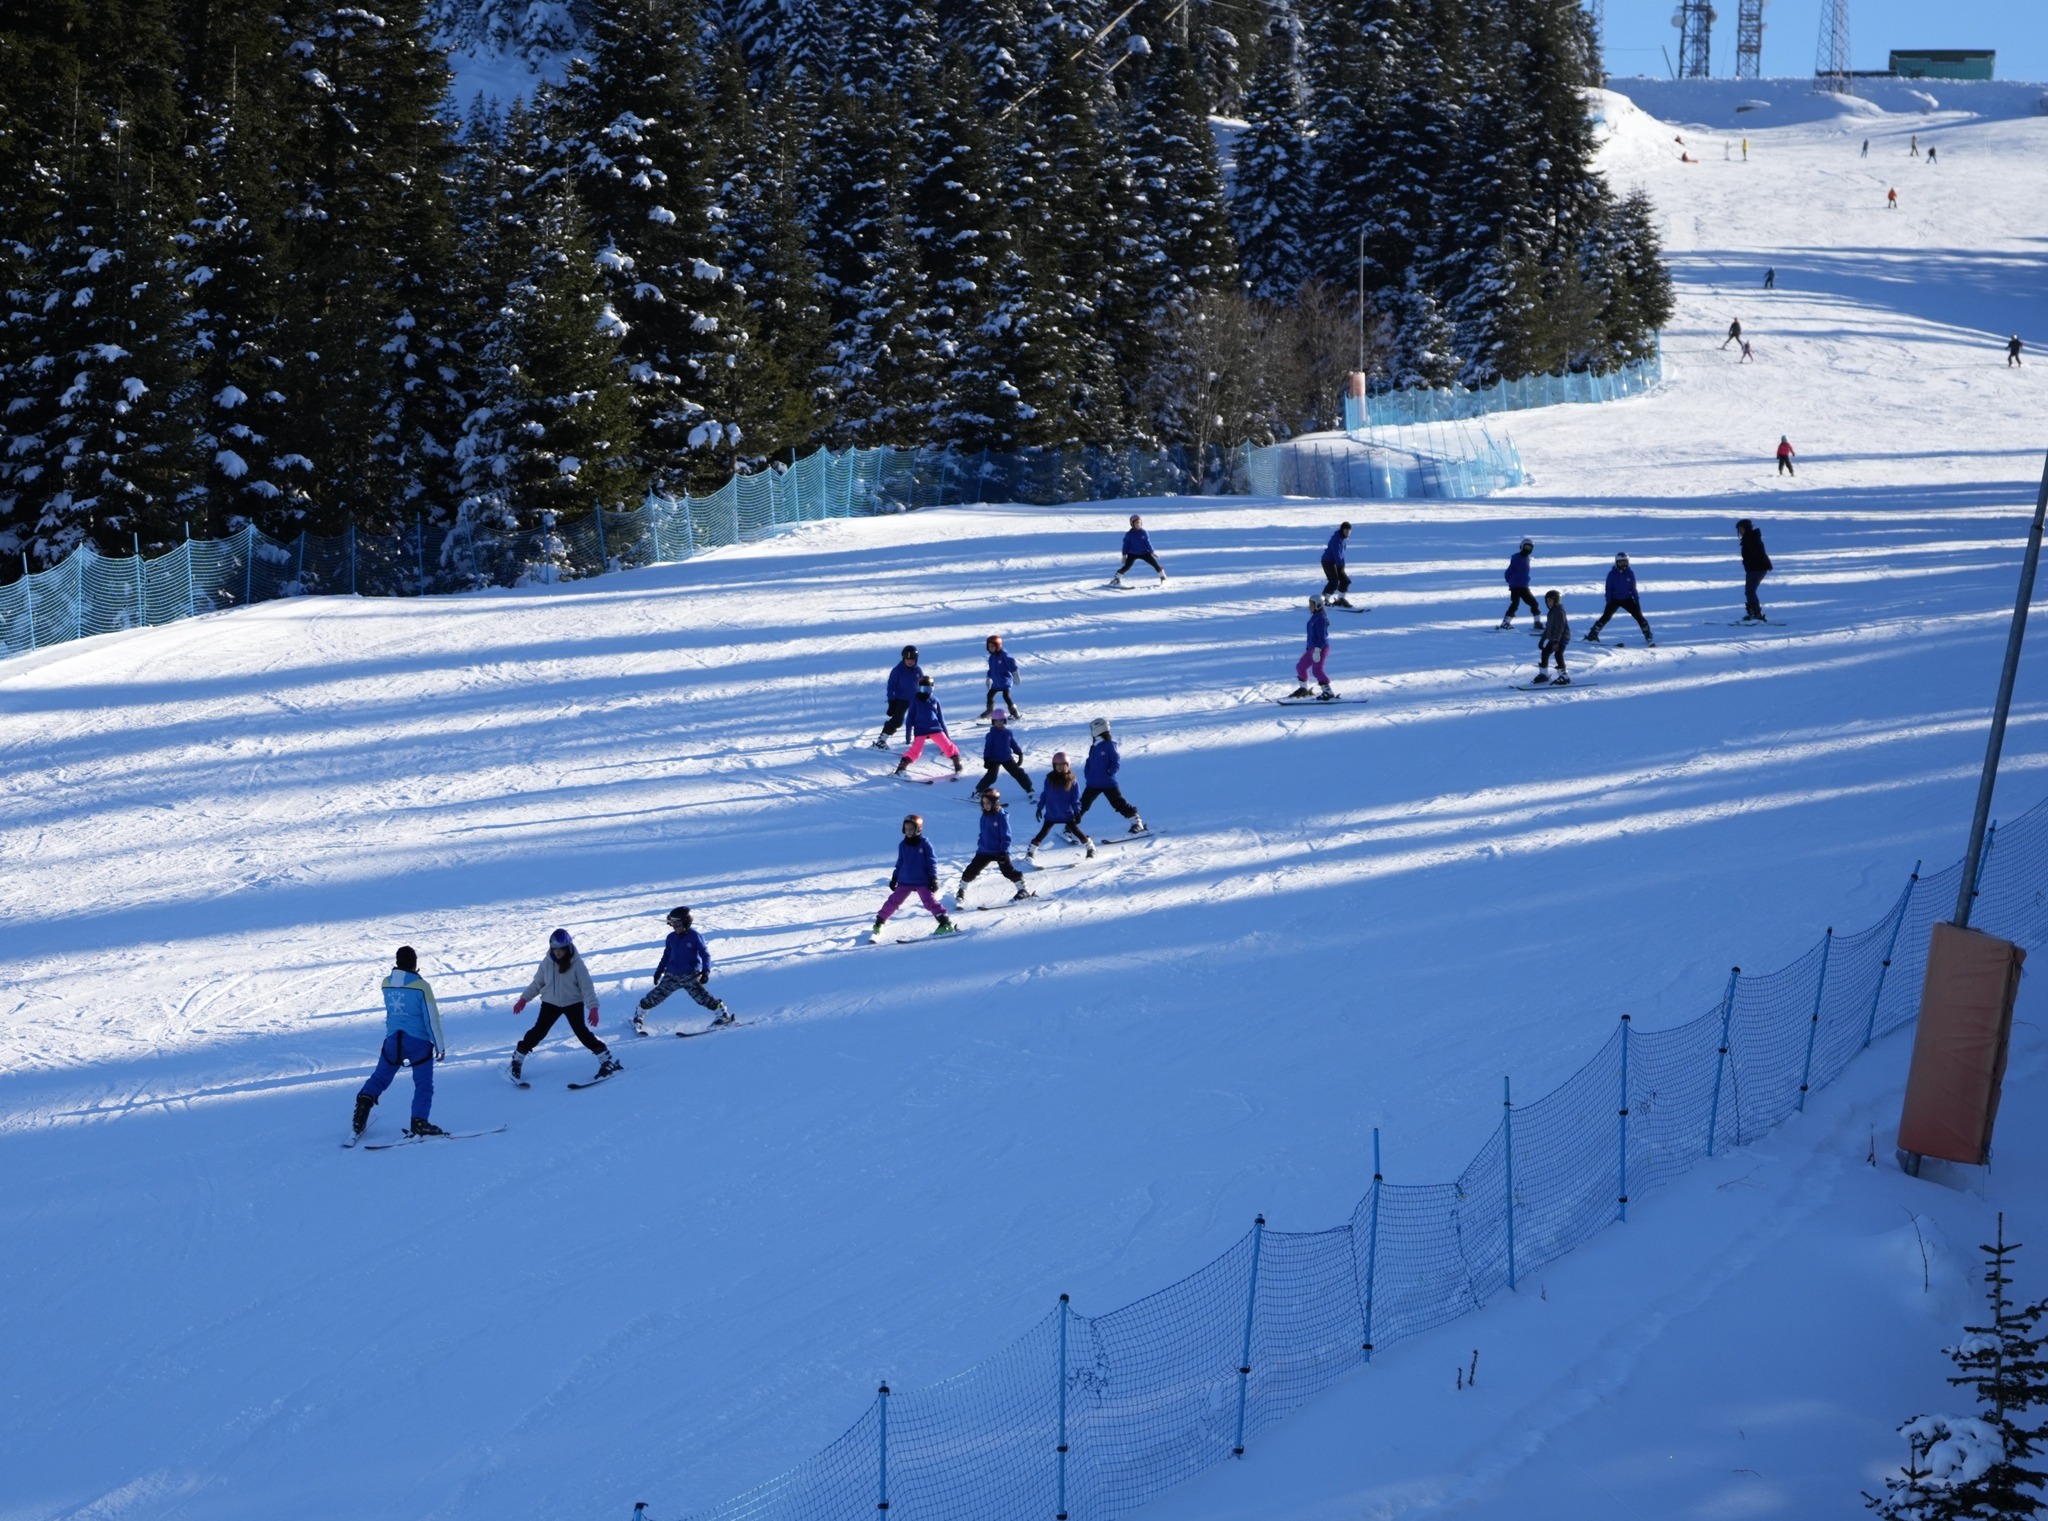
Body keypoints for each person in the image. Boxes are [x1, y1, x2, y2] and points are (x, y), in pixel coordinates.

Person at [352, 946, 449, 1138]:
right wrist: (439, 1045)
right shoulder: (422, 987)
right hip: (418, 1043)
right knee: (423, 1085)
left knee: (380, 1078)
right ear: (415, 963)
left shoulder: (386, 983)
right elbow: (431, 1018)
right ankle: (419, 1122)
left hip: (393, 1040)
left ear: (397, 962)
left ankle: (361, 1110)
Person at [512, 928, 618, 1084]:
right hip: (550, 1003)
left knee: (582, 1033)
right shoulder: (547, 963)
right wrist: (524, 999)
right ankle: (517, 1059)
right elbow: (537, 983)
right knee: (538, 1032)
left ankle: (606, 1060)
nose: (557, 953)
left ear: (567, 947)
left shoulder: (577, 965)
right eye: (554, 949)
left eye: (560, 949)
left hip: (573, 1003)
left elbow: (586, 987)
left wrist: (593, 1008)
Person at [633, 907, 729, 1035]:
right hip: (671, 975)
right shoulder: (671, 937)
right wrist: (659, 971)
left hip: (690, 975)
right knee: (655, 996)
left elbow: (705, 955)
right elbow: (666, 955)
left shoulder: (695, 937)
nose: (674, 926)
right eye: (672, 923)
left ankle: (723, 1015)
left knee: (702, 997)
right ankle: (639, 1015)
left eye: (677, 923)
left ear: (686, 922)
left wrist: (706, 971)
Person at [872, 814, 957, 937]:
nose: (908, 832)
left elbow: (931, 861)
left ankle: (945, 923)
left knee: (930, 902)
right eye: (906, 829)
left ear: (918, 829)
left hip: (922, 880)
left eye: (911, 829)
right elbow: (900, 862)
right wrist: (894, 877)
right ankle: (879, 922)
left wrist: (933, 878)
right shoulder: (903, 845)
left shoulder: (924, 844)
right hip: (905, 880)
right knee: (893, 901)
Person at [957, 789, 1033, 908]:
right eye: (984, 803)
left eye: (988, 803)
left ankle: (1023, 890)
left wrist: (1003, 850)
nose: (986, 805)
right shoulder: (984, 816)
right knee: (971, 870)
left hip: (999, 851)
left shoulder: (1001, 817)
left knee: (1008, 871)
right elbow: (983, 833)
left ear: (995, 803)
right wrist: (980, 844)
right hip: (984, 850)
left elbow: (1006, 835)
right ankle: (961, 891)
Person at [1078, 717, 1146, 833]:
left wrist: (1109, 772)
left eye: (1092, 729)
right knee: (1082, 805)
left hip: (1107, 782)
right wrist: (1088, 774)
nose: (1091, 732)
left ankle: (1137, 823)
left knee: (1118, 803)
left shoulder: (1109, 745)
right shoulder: (1094, 746)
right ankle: (1070, 828)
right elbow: (1089, 762)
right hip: (1093, 783)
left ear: (1098, 729)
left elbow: (1116, 761)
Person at [1029, 753, 1095, 859]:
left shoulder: (1072, 780)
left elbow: (1075, 799)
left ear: (1067, 765)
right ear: (1054, 765)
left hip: (1066, 813)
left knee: (1075, 830)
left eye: (1062, 765)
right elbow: (1045, 794)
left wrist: (1077, 811)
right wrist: (1040, 807)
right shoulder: (1049, 779)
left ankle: (1090, 848)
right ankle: (1030, 852)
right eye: (1057, 765)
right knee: (1043, 832)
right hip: (1052, 813)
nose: (1059, 767)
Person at [895, 675, 963, 775]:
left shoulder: (935, 700)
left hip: (935, 728)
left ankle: (957, 763)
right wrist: (908, 736)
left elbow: (941, 719)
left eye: (929, 689)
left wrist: (947, 736)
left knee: (947, 746)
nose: (926, 692)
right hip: (921, 730)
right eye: (923, 689)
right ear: (919, 688)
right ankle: (901, 767)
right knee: (916, 751)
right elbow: (909, 719)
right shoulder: (915, 700)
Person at [1585, 552, 1654, 646]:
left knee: (1638, 616)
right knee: (1606, 616)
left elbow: (1633, 588)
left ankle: (1647, 634)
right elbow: (1608, 587)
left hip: (1627, 599)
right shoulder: (1612, 574)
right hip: (1614, 599)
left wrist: (1636, 600)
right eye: (1621, 563)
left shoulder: (1630, 573)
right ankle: (1593, 634)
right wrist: (1609, 599)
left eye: (1625, 562)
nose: (1623, 565)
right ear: (1616, 563)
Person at [872, 645, 923, 749]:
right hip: (902, 700)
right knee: (897, 720)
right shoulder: (897, 670)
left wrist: (924, 695)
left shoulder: (918, 670)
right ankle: (881, 740)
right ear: (903, 658)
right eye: (907, 659)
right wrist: (891, 702)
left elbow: (922, 684)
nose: (910, 661)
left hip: (915, 700)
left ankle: (929, 739)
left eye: (912, 659)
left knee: (923, 718)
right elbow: (891, 687)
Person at [974, 709, 1033, 796]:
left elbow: (1012, 743)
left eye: (1001, 720)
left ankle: (1029, 789)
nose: (999, 723)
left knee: (1018, 773)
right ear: (993, 722)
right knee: (991, 777)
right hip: (994, 759)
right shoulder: (991, 735)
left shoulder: (1008, 733)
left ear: (1005, 721)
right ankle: (978, 791)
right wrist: (986, 759)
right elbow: (987, 748)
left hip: (1007, 758)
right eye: (996, 721)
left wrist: (1019, 753)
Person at [1288, 594, 1336, 701]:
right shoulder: (1315, 616)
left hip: (1321, 648)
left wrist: (1318, 650)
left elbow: (1322, 637)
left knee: (1317, 671)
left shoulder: (1321, 619)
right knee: (1300, 667)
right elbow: (1311, 636)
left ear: (1318, 605)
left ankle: (1328, 692)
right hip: (1312, 649)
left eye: (1312, 604)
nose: (1310, 606)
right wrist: (1307, 650)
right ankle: (1304, 689)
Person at [1737, 519, 1773, 622]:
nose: (1740, 531)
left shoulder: (1752, 539)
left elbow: (1759, 554)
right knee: (1749, 591)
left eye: (1741, 529)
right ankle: (1753, 613)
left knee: (1750, 591)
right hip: (1753, 569)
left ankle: (1756, 614)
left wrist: (1762, 564)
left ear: (1747, 528)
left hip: (1757, 569)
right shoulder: (1749, 538)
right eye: (1739, 529)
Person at [1532, 591, 1571, 686]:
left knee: (1558, 654)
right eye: (1547, 601)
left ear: (1556, 600)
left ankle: (1564, 676)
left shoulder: (1559, 611)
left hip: (1561, 638)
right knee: (1545, 652)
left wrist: (1556, 641)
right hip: (1555, 639)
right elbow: (1549, 627)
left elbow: (1560, 627)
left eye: (1551, 600)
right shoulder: (1552, 611)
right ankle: (1544, 674)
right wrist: (1543, 638)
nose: (1549, 602)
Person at [1500, 538, 1540, 630]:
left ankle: (1537, 622)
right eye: (1526, 547)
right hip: (1515, 587)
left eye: (1529, 548)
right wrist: (1510, 581)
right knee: (1515, 604)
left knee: (1534, 603)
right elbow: (1508, 571)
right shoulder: (1516, 558)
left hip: (1524, 587)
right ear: (1521, 547)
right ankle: (1505, 623)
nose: (1527, 549)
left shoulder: (1527, 559)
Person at [1114, 514, 1165, 583]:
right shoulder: (1129, 534)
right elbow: (1126, 545)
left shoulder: (1144, 532)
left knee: (1155, 564)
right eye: (1136, 523)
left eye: (1139, 523)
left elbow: (1147, 542)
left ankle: (1162, 576)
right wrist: (1124, 555)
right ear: (1132, 524)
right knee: (1127, 566)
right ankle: (1117, 579)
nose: (1138, 524)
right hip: (1132, 553)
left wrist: (1152, 552)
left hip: (1144, 553)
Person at [981, 634, 1020, 719]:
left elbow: (1011, 663)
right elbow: (991, 669)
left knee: (1006, 697)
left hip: (1005, 681)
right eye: (989, 647)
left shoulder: (1004, 655)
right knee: (989, 695)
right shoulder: (991, 658)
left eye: (992, 646)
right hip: (996, 683)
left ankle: (1014, 712)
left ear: (998, 646)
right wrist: (988, 678)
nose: (991, 648)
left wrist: (1015, 674)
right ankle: (990, 711)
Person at [1320, 521, 1355, 606]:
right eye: (1346, 530)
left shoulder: (1343, 539)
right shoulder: (1336, 539)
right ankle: (1323, 600)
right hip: (1328, 562)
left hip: (1336, 562)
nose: (1347, 532)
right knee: (1334, 581)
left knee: (1345, 581)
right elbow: (1336, 554)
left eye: (1349, 531)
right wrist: (1340, 566)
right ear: (1342, 530)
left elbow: (1342, 554)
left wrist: (1342, 566)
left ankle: (1340, 599)